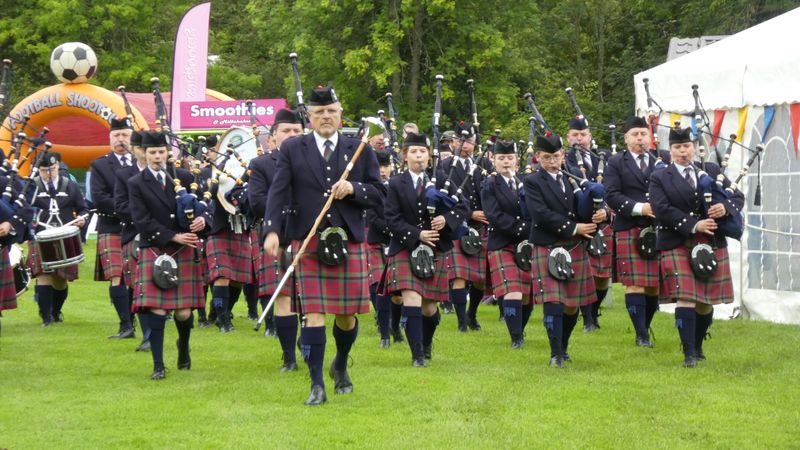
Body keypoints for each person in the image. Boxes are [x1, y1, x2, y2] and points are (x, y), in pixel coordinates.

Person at [263, 85, 384, 405]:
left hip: (349, 241)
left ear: (340, 115)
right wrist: (272, 230)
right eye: (319, 113)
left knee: (346, 317)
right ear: (310, 118)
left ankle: (341, 362)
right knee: (313, 314)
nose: (326, 117)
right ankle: (316, 384)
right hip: (310, 240)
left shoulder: (360, 149)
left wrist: (354, 188)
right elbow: (278, 190)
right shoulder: (293, 149)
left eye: (331, 111)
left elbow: (379, 195)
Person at [649, 126, 743, 367]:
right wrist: (694, 224)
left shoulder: (710, 169)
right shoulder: (660, 176)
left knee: (705, 302)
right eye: (678, 148)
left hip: (710, 241)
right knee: (686, 296)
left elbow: (737, 196)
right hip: (677, 240)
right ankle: (689, 353)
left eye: (687, 146)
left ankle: (698, 345)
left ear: (694, 147)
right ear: (670, 151)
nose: (683, 152)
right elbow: (661, 209)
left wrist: (725, 208)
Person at [128, 131, 211, 380]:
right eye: (152, 152)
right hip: (156, 246)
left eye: (161, 152)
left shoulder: (185, 177)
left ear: (168, 153)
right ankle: (157, 364)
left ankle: (183, 346)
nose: (157, 157)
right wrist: (173, 236)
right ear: (144, 153)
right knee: (158, 310)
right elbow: (141, 220)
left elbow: (207, 207)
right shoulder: (137, 183)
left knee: (184, 312)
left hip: (183, 249)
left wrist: (201, 220)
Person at [382, 132, 467, 365]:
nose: (419, 156)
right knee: (411, 297)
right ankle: (417, 355)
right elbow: (391, 218)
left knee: (429, 307)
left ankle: (426, 344)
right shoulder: (396, 183)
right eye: (414, 152)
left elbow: (463, 208)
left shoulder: (442, 178)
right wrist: (417, 233)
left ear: (429, 156)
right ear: (404, 156)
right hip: (404, 245)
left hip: (436, 248)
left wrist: (446, 220)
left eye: (422, 152)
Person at [523, 134, 604, 367]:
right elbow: (540, 214)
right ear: (538, 158)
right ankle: (555, 353)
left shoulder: (572, 177)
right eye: (547, 158)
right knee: (553, 301)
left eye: (556, 157)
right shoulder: (532, 181)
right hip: (547, 244)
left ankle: (564, 347)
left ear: (563, 156)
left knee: (571, 304)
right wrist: (574, 227)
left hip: (574, 246)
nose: (552, 162)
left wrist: (601, 214)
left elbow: (586, 205)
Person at [604, 116, 670, 347]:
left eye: (643, 134)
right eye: (635, 134)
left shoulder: (662, 159)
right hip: (630, 226)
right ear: (626, 139)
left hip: (659, 228)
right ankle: (641, 334)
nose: (640, 138)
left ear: (650, 137)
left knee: (653, 285)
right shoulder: (615, 162)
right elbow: (611, 194)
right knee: (635, 283)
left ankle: (644, 326)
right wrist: (641, 208)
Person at [248, 108, 303, 371]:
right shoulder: (261, 165)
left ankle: (309, 349)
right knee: (283, 298)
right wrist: (290, 212)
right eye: (286, 131)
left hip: (309, 240)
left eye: (297, 131)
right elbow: (257, 202)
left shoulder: (313, 161)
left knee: (310, 299)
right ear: (273, 137)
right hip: (278, 239)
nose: (292, 135)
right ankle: (289, 357)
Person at [440, 122, 492, 331]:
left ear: (475, 143)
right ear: (453, 143)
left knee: (479, 280)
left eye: (469, 141)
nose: (465, 145)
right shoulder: (444, 167)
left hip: (481, 227)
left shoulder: (484, 166)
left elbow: (490, 194)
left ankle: (472, 315)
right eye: (461, 141)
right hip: (457, 225)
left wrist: (485, 213)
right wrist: (470, 213)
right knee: (459, 276)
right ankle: (462, 322)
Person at [481, 141, 533, 348]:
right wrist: (524, 228)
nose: (506, 162)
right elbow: (494, 216)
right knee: (513, 291)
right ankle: (516, 338)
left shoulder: (526, 182)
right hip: (502, 243)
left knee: (527, 295)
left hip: (527, 245)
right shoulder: (489, 184)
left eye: (509, 158)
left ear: (516, 161)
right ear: (493, 160)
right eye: (501, 158)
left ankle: (520, 328)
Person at [28, 152, 89, 326]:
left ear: (58, 167)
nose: (49, 173)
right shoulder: (31, 187)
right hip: (40, 237)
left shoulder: (70, 186)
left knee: (61, 280)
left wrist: (82, 219)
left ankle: (55, 312)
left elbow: (84, 209)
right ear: (38, 170)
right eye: (44, 170)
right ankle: (46, 318)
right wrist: (29, 222)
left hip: (64, 237)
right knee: (43, 275)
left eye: (52, 169)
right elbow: (23, 209)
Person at [564, 117, 613, 332]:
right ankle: (588, 319)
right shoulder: (563, 160)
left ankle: (594, 311)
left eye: (582, 135)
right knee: (586, 274)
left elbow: (612, 190)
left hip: (604, 222)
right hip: (580, 222)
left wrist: (607, 212)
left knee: (603, 277)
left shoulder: (603, 159)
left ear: (590, 136)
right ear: (568, 137)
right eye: (574, 135)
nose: (578, 139)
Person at [90, 117, 136, 339]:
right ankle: (125, 324)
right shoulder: (100, 165)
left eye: (125, 135)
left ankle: (137, 317)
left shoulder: (140, 162)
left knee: (137, 275)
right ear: (110, 139)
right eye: (116, 135)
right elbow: (99, 198)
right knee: (117, 275)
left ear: (132, 138)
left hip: (138, 228)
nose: (121, 139)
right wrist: (129, 208)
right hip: (112, 226)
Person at [113, 130, 151, 351]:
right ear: (134, 149)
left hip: (164, 237)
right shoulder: (124, 175)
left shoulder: (169, 173)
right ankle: (147, 336)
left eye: (149, 150)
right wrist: (147, 216)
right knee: (140, 286)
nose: (146, 154)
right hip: (135, 235)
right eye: (142, 149)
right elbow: (120, 207)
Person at [366, 150, 395, 348]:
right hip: (376, 240)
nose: (382, 171)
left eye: (385, 167)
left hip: (396, 242)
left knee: (395, 289)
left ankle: (394, 325)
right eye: (379, 167)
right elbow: (372, 217)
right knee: (378, 285)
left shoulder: (398, 187)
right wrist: (391, 228)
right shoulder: (369, 189)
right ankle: (383, 325)